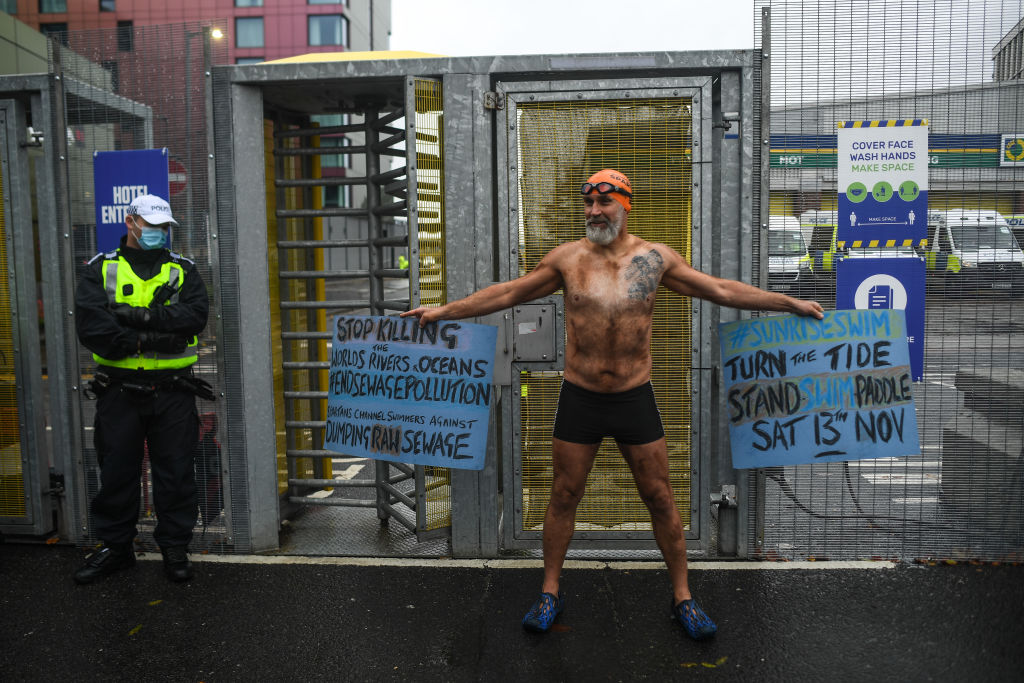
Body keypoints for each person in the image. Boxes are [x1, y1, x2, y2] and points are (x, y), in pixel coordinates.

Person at [401, 170, 824, 640]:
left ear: (625, 204)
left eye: (604, 203)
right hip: (579, 397)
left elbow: (721, 290)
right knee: (563, 495)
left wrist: (785, 302)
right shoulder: (568, 260)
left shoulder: (654, 259)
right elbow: (506, 293)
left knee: (660, 497)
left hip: (633, 398)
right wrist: (441, 311)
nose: (594, 212)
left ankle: (683, 597)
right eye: (588, 204)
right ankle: (549, 591)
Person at [73, 194, 210, 584]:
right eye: (150, 226)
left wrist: (137, 318)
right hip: (118, 391)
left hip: (173, 391)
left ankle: (174, 547)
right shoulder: (100, 269)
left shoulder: (183, 269)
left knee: (177, 472)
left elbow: (195, 317)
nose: (158, 233)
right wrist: (154, 338)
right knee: (116, 471)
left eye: (163, 227)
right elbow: (93, 329)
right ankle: (116, 549)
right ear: (131, 222)